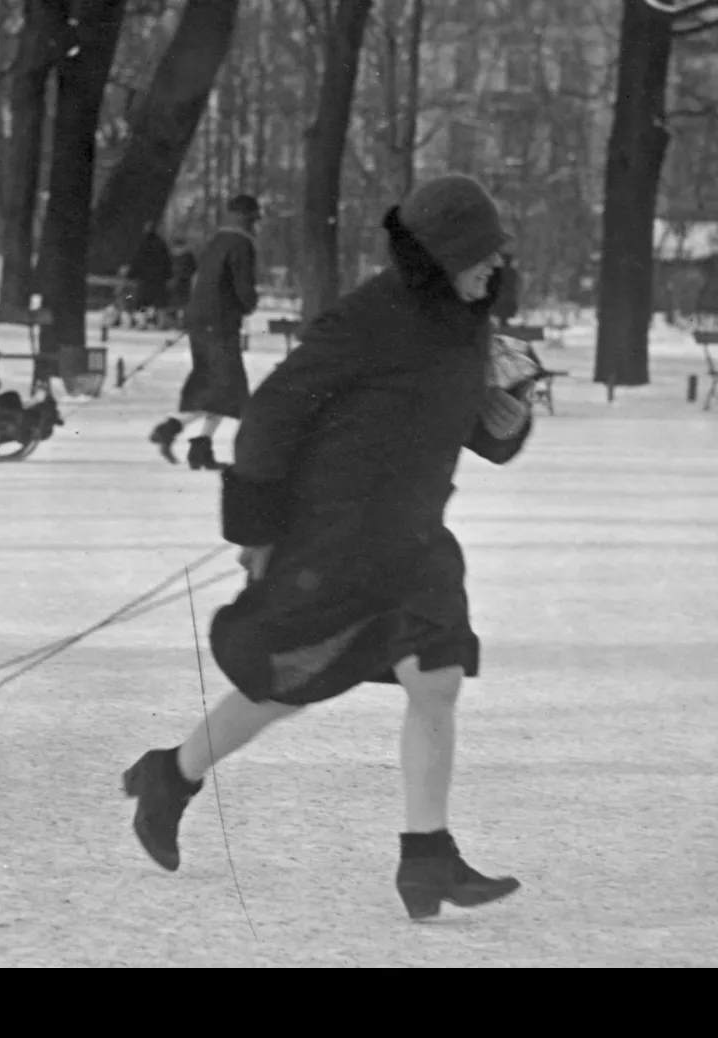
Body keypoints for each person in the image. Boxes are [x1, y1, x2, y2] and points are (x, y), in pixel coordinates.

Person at [122, 174, 535, 921]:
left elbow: (470, 426)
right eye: (480, 254)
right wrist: (256, 528)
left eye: (495, 253)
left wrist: (512, 409)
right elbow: (272, 413)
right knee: (284, 687)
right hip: (337, 540)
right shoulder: (370, 317)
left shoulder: (468, 324)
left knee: (435, 681)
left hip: (413, 540)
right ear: (440, 256)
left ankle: (427, 857)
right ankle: (171, 776)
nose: (494, 266)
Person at [149, 194, 262, 471]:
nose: (255, 224)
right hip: (220, 323)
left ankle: (200, 446)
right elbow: (243, 288)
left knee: (215, 385)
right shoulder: (241, 244)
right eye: (253, 218)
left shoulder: (216, 241)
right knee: (225, 387)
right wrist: (249, 304)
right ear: (245, 217)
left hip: (201, 320)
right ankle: (171, 428)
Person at [125, 224, 174, 329]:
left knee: (141, 302)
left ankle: (142, 322)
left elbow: (137, 261)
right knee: (160, 303)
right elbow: (167, 262)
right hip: (159, 280)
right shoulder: (161, 244)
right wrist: (168, 276)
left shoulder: (143, 244)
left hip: (145, 280)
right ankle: (161, 324)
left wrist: (131, 275)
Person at [491, 252, 521, 328]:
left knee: (502, 310)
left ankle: (503, 323)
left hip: (503, 294)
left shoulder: (500, 271)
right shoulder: (512, 272)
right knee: (504, 310)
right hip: (506, 295)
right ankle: (503, 323)